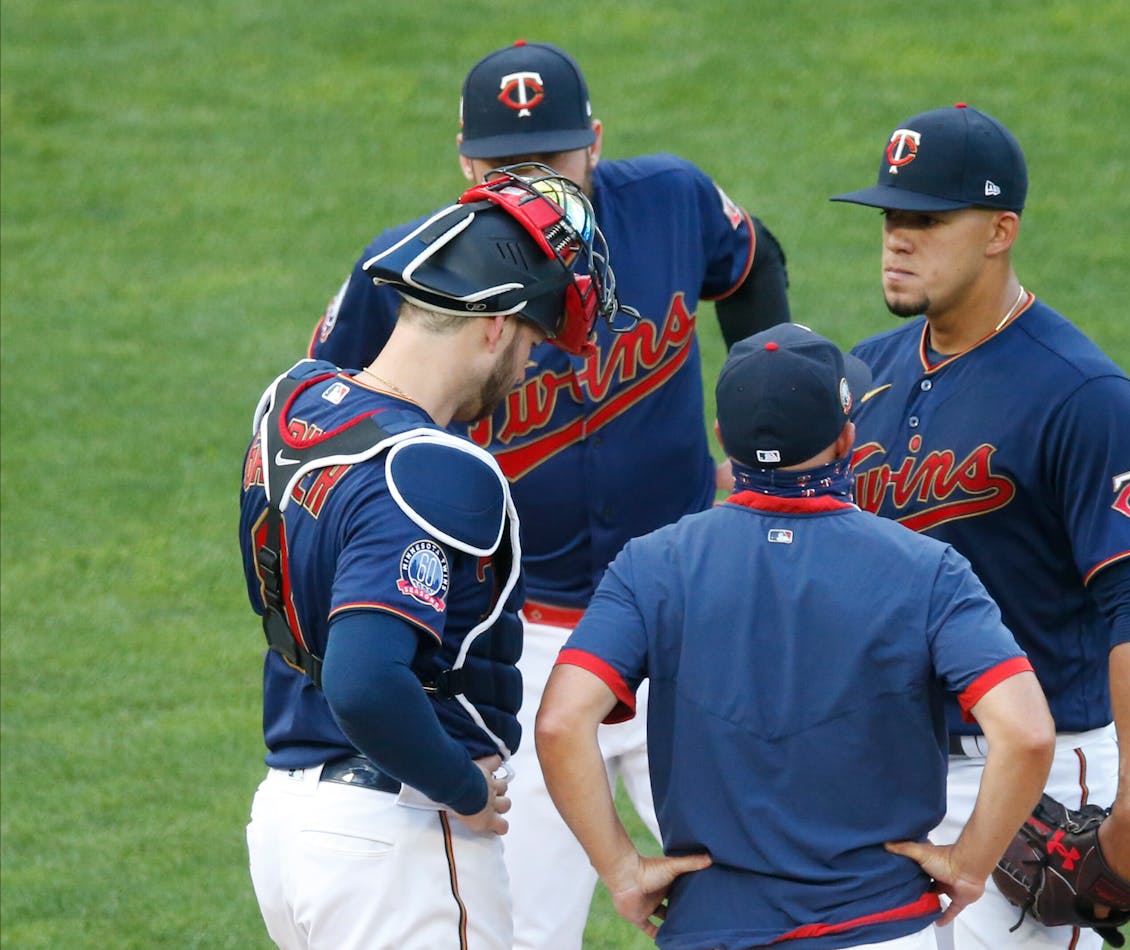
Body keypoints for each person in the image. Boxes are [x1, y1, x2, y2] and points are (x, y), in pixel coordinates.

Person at [306, 39, 792, 950]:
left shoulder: (673, 203)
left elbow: (755, 266)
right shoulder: (408, 273)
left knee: (770, 894)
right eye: (502, 166)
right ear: (462, 159)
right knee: (520, 928)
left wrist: (766, 447)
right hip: (514, 643)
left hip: (691, 612)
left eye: (551, 161)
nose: (529, 185)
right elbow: (320, 414)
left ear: (595, 145)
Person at [535, 323, 1056, 950]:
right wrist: (970, 863)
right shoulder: (928, 571)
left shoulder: (652, 565)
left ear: (725, 441)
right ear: (847, 439)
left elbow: (562, 724)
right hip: (881, 927)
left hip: (713, 929)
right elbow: (1025, 732)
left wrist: (621, 870)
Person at [830, 104, 1130, 950]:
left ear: (1000, 230)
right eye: (890, 216)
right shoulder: (867, 375)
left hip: (1034, 778)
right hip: (887, 778)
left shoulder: (1082, 394)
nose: (898, 238)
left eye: (927, 219)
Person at [239, 168, 624, 949]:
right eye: (532, 343)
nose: (527, 369)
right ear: (493, 325)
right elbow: (365, 679)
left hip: (291, 824)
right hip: (399, 834)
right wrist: (461, 791)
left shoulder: (295, 398)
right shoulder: (436, 469)